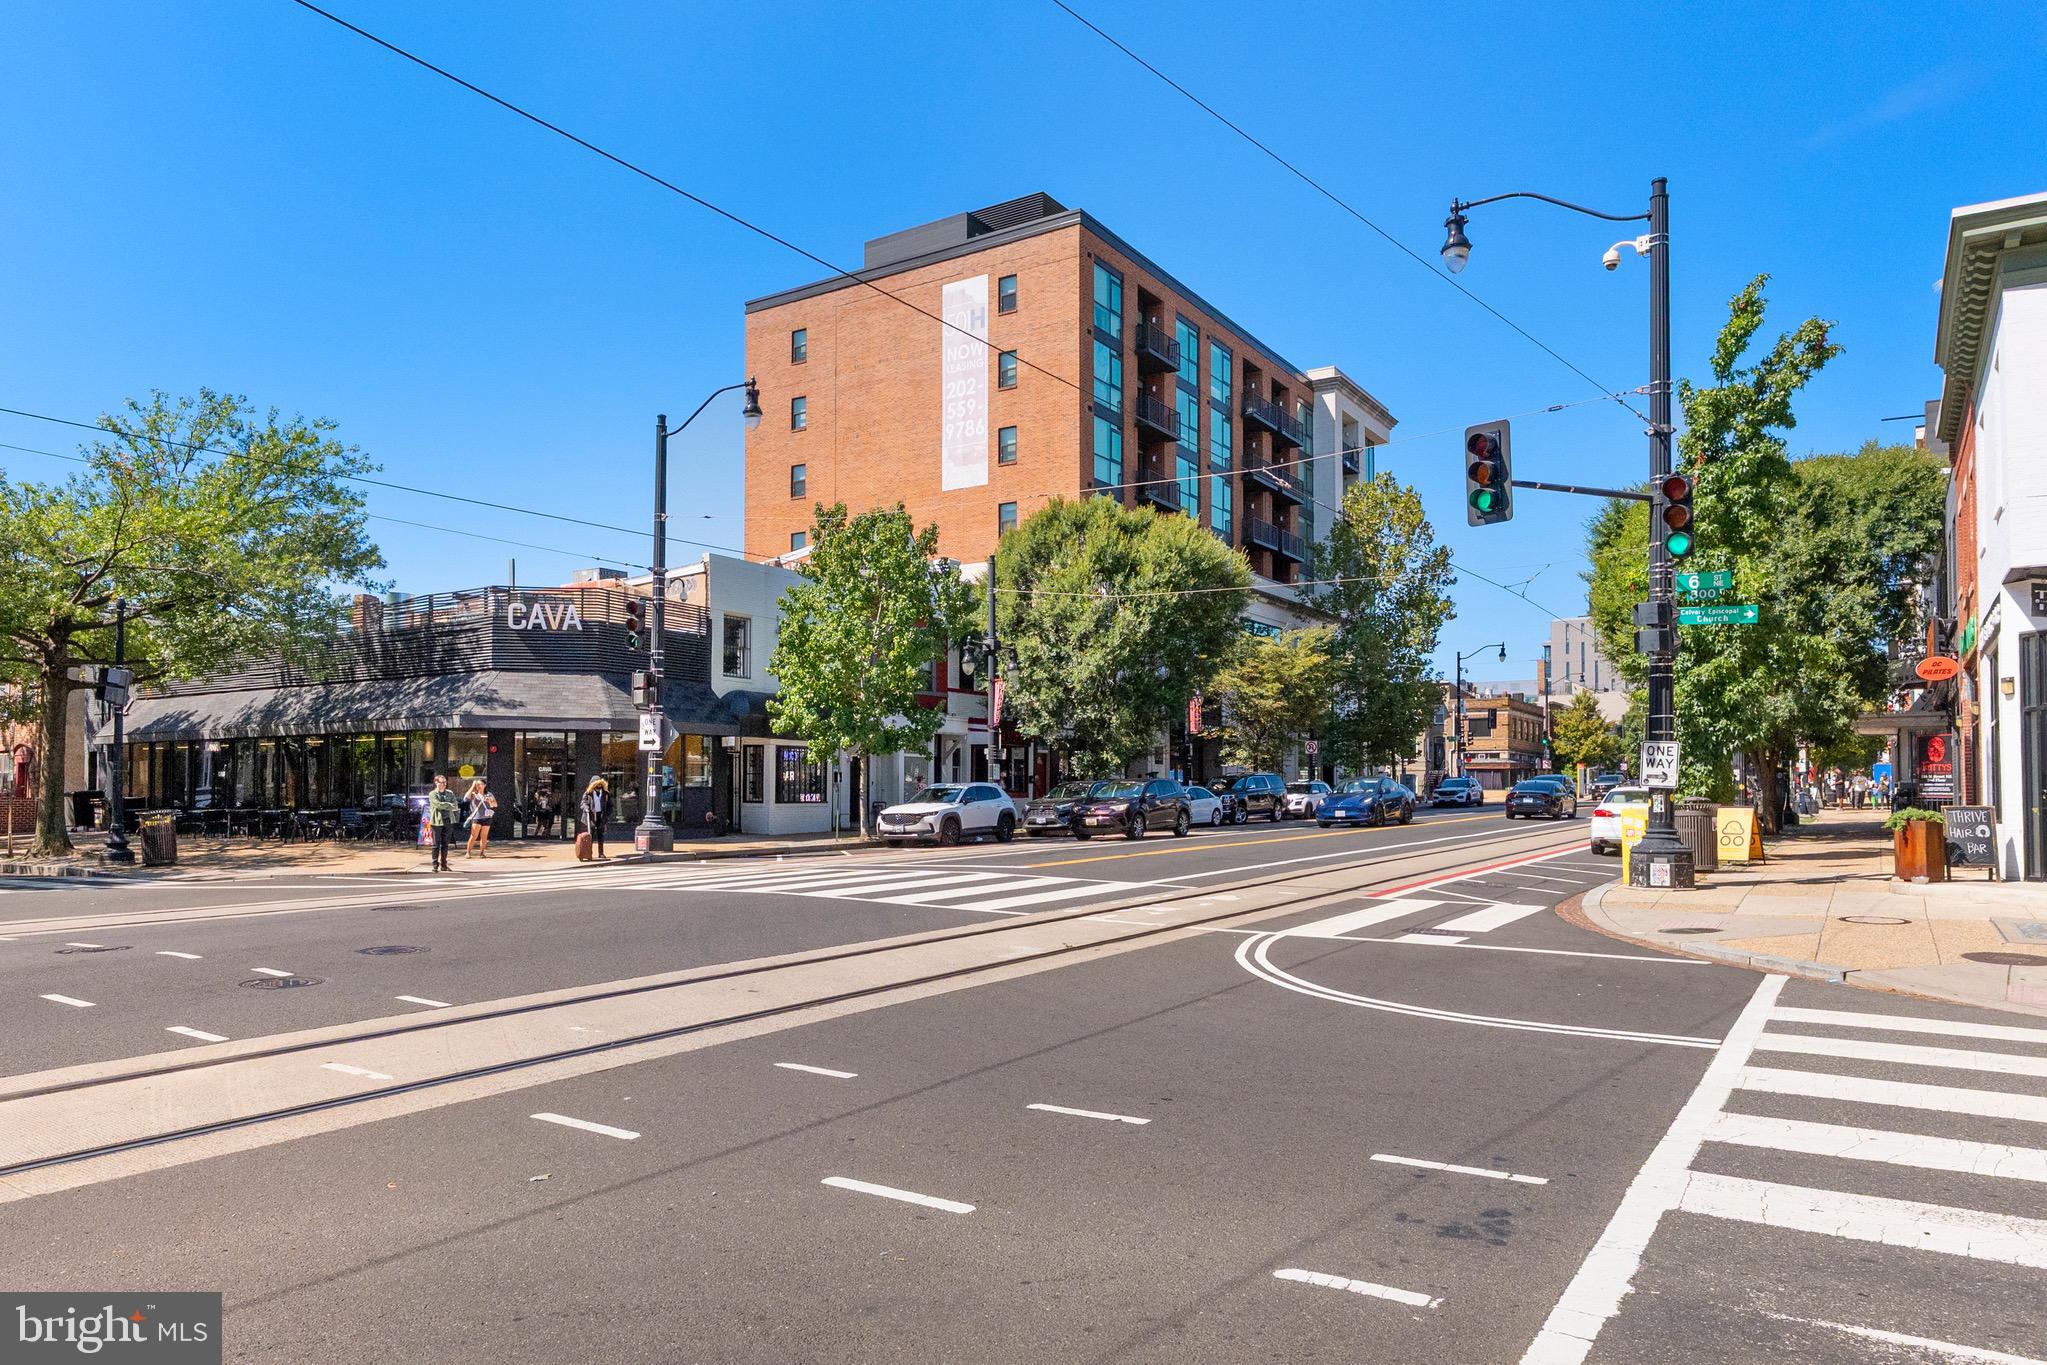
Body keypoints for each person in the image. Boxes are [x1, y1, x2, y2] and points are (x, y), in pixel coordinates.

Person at [425, 774, 460, 872]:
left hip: (448, 820)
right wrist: (448, 804)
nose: (444, 784)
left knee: (445, 844)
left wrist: (447, 805)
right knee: (436, 844)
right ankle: (435, 864)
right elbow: (437, 805)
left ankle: (444, 864)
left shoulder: (450, 793)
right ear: (436, 783)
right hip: (437, 821)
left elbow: (455, 805)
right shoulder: (432, 793)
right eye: (442, 782)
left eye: (445, 782)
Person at [463, 778, 497, 857]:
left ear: (484, 785)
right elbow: (465, 798)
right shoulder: (474, 794)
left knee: (484, 836)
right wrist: (472, 786)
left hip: (487, 817)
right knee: (474, 835)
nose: (478, 786)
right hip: (477, 817)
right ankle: (468, 852)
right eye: (477, 784)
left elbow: (495, 805)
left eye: (480, 784)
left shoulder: (489, 794)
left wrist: (489, 801)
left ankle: (482, 852)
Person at [580, 775, 611, 859]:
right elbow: (583, 803)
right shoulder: (588, 793)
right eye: (597, 785)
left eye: (600, 785)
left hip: (601, 816)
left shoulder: (606, 794)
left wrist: (607, 815)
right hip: (590, 816)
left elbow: (610, 806)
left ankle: (601, 853)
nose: (599, 787)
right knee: (590, 835)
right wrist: (586, 808)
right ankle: (589, 853)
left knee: (600, 834)